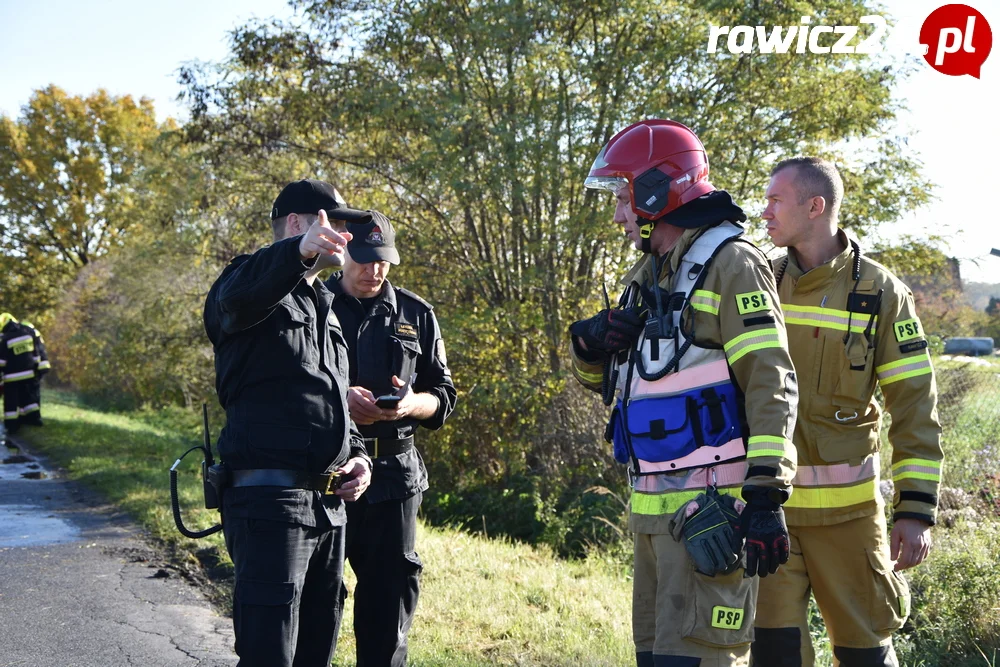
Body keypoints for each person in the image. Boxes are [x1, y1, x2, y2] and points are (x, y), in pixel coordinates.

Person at [571, 119, 799, 667]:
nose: (620, 213)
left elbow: (773, 381)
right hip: (651, 519)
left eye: (624, 197)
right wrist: (590, 344)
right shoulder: (647, 273)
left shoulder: (732, 265)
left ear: (655, 192)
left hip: (711, 517)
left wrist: (765, 497)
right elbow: (609, 388)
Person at [752, 157, 943, 667]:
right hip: (770, 518)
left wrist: (916, 510)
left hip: (851, 521)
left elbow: (913, 406)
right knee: (773, 657)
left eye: (776, 199)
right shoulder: (759, 284)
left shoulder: (881, 294)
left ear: (816, 207)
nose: (764, 210)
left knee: (866, 658)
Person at [203, 178, 374, 667]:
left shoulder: (324, 305)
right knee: (268, 654)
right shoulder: (244, 284)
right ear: (300, 225)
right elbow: (237, 299)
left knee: (316, 649)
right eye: (338, 223)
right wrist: (296, 254)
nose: (348, 237)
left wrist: (357, 454)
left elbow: (329, 398)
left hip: (327, 508)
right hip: (271, 504)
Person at [326, 211, 457, 667]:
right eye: (363, 259)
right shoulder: (312, 306)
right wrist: (338, 399)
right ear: (341, 251)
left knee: (388, 604)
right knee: (319, 601)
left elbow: (444, 396)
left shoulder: (416, 314)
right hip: (327, 476)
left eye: (382, 260)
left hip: (395, 481)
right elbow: (287, 384)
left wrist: (410, 404)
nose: (373, 270)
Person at [1, 312, 45, 436]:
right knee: (28, 398)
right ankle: (33, 419)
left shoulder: (6, 339)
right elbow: (35, 354)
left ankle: (12, 426)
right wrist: (36, 369)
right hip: (29, 374)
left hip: (11, 378)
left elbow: (2, 361)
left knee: (11, 402)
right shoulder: (27, 334)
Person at [18, 320, 50, 426]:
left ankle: (33, 418)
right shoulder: (35, 334)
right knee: (34, 393)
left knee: (31, 393)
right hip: (41, 366)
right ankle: (31, 417)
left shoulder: (30, 335)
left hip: (37, 367)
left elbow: (34, 353)